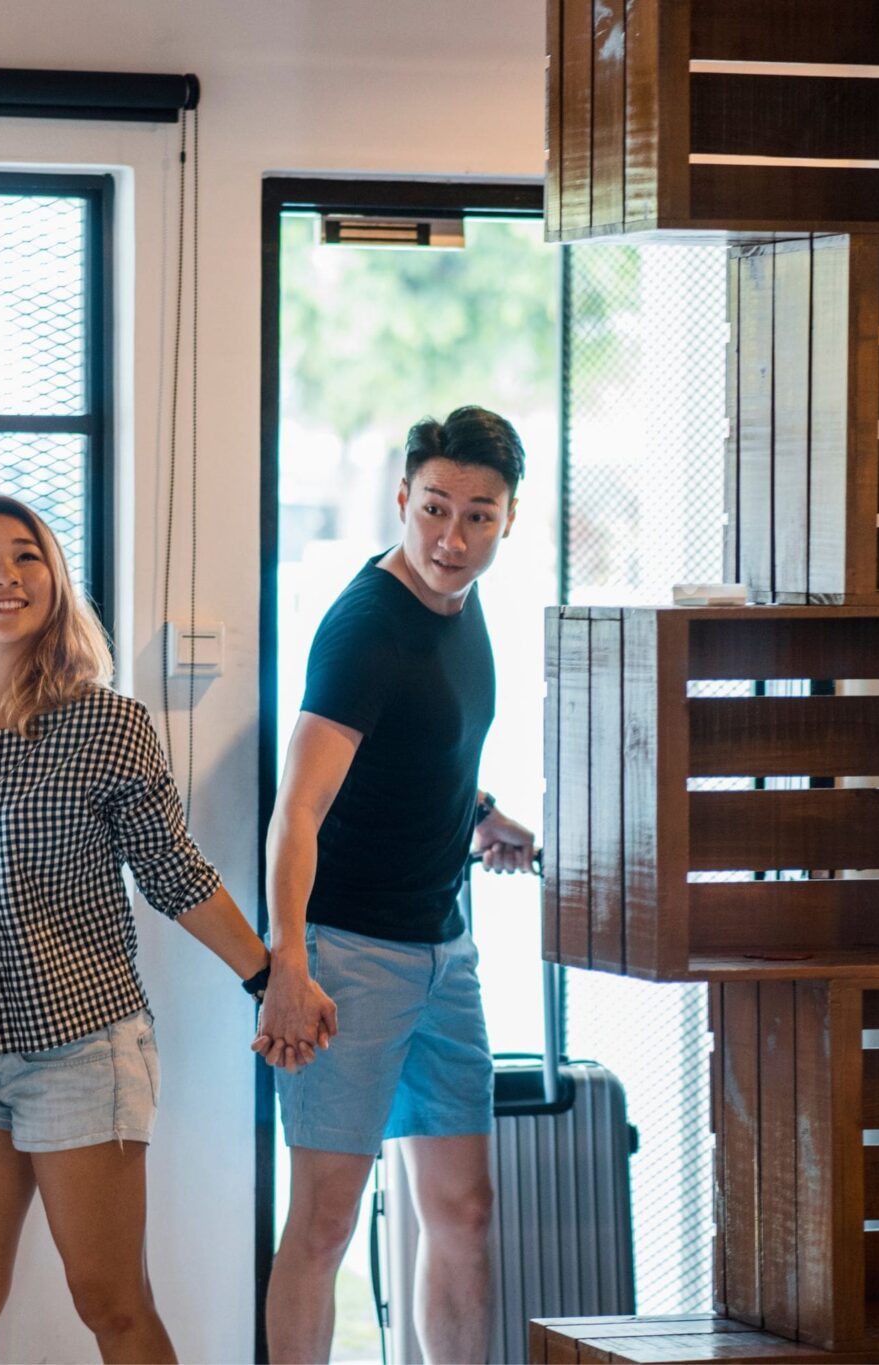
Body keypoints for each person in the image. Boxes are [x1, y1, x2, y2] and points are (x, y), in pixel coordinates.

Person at [0, 493, 331, 1365]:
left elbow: (174, 875)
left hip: (82, 1047)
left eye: (26, 556)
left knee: (110, 1304)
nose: (6, 576)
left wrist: (273, 979)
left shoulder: (108, 725)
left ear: (55, 581)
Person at [258, 407, 540, 1363]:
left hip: (443, 951)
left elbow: (427, 740)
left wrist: (482, 810)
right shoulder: (365, 629)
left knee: (464, 1209)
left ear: (508, 518)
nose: (451, 539)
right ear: (401, 499)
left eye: (478, 516)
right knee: (327, 1223)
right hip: (350, 957)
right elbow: (295, 809)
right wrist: (287, 968)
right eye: (432, 510)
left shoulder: (461, 603)